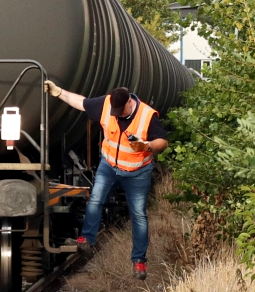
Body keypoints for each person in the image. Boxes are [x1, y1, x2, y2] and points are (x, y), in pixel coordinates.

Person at [43, 81, 169, 280]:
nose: (116, 114)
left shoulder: (147, 115)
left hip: (137, 172)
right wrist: (59, 92)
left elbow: (162, 141)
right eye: (114, 111)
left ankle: (139, 261)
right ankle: (86, 240)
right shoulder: (106, 104)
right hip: (109, 166)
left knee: (138, 215)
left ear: (129, 103)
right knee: (95, 200)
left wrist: (147, 146)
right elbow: (82, 103)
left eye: (120, 111)